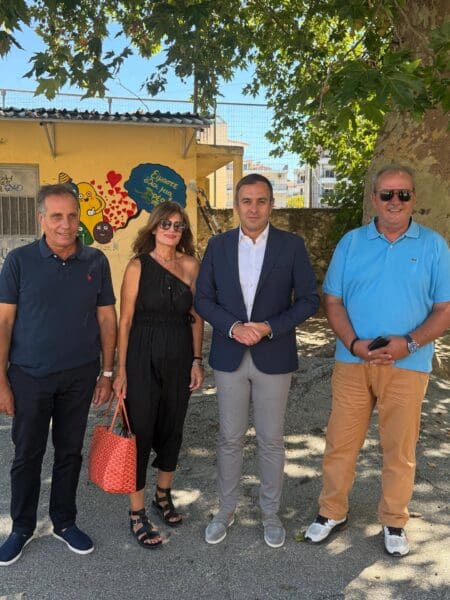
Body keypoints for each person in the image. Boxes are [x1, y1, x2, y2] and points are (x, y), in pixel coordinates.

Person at [305, 164, 450, 557]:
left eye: (403, 194)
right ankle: (331, 511)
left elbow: (445, 309)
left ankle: (394, 519)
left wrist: (410, 343)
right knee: (340, 442)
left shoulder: (434, 246)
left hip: (407, 365)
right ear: (374, 199)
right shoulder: (351, 243)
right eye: (387, 194)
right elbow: (333, 301)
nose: (394, 201)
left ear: (414, 198)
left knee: (399, 449)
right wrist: (354, 344)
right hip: (353, 361)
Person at [195, 173, 319, 548]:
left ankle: (270, 513)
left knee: (271, 440)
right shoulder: (218, 246)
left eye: (261, 201)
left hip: (274, 354)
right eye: (246, 201)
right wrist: (233, 327)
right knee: (229, 438)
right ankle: (225, 510)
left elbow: (309, 300)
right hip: (230, 354)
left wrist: (269, 327)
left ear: (271, 205)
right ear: (236, 205)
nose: (254, 208)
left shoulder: (291, 246)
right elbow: (203, 299)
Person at [0, 184, 117, 566]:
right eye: (56, 216)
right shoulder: (18, 261)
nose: (65, 224)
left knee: (69, 452)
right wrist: (1, 380)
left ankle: (64, 521)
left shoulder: (95, 261)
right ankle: (21, 527)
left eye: (71, 216)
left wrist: (107, 373)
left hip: (79, 377)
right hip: (29, 377)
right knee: (27, 455)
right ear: (41, 219)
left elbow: (107, 319)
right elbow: (4, 322)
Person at [113, 201, 204, 549]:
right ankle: (136, 512)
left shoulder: (191, 265)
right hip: (141, 356)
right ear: (153, 227)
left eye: (178, 225)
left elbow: (196, 317)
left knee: (173, 427)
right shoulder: (138, 266)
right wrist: (121, 370)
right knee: (140, 431)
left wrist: (197, 360)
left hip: (179, 356)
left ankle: (162, 495)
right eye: (166, 223)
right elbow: (125, 321)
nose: (172, 230)